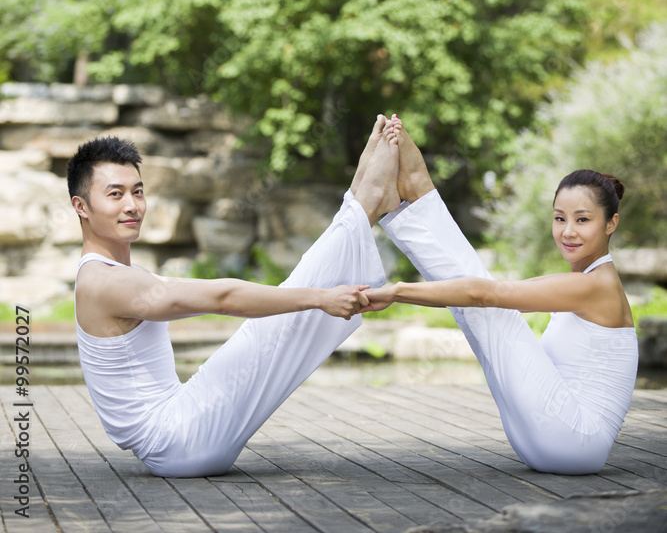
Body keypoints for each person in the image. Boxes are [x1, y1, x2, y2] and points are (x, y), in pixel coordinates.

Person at [70, 129, 397, 477]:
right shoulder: (107, 282)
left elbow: (210, 293)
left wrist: (316, 299)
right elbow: (223, 298)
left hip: (176, 437)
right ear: (81, 207)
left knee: (280, 318)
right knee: (278, 321)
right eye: (115, 194)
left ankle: (360, 201)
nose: (131, 205)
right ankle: (365, 202)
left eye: (137, 192)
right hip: (178, 437)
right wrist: (319, 299)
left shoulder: (118, 275)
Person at [362, 116, 638, 475]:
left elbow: (484, 294)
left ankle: (417, 193)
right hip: (549, 442)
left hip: (573, 440)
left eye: (582, 220)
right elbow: (483, 291)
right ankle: (412, 198)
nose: (568, 231)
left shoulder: (596, 285)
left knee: (487, 305)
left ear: (611, 224)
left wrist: (398, 292)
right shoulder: (583, 281)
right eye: (559, 218)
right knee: (481, 304)